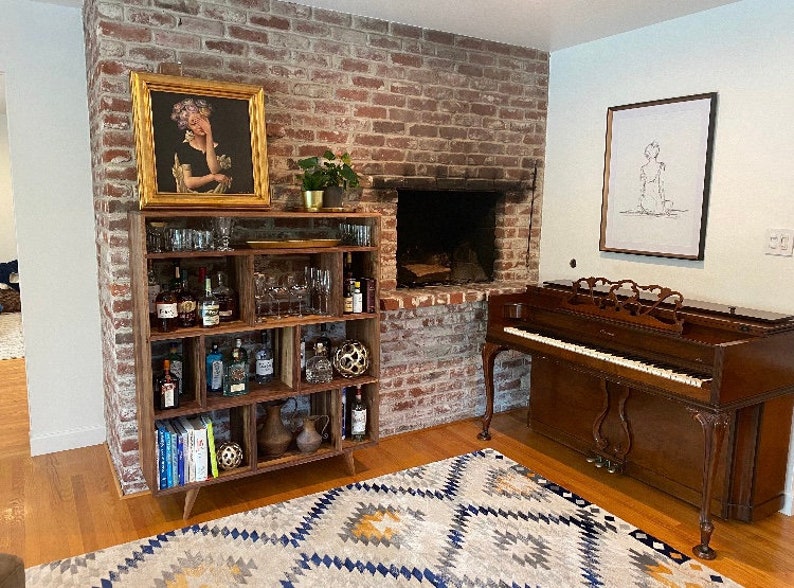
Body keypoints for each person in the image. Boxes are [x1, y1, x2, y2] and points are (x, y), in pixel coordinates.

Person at [170, 97, 233, 194]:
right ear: (188, 126)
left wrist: (209, 133)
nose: (200, 126)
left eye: (202, 121)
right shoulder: (184, 149)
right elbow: (189, 182)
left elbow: (214, 169)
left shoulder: (222, 147)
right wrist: (212, 177)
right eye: (194, 123)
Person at [637, 140, 671, 215]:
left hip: (646, 204)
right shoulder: (661, 166)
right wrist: (662, 202)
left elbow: (641, 188)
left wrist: (641, 202)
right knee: (669, 203)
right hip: (657, 203)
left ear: (647, 154)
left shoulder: (643, 168)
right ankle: (660, 207)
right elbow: (661, 186)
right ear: (657, 153)